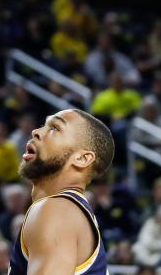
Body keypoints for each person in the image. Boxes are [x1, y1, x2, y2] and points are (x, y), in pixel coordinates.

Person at [9, 109, 114, 275]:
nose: (36, 131)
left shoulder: (57, 211)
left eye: (55, 128)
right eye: (44, 125)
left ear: (82, 158)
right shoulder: (69, 210)